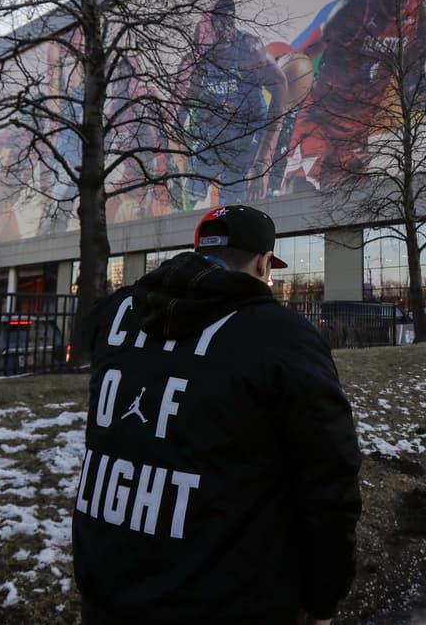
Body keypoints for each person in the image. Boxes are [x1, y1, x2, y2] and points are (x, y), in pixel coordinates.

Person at [72, 204, 361, 624]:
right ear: (263, 264)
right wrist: (323, 598)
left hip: (107, 592)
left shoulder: (117, 313)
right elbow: (328, 482)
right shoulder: (279, 335)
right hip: (225, 601)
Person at [282, 0, 426, 192]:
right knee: (299, 198)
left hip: (356, 134)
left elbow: (413, 74)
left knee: (356, 208)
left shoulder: (423, 12)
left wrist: (422, 97)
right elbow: (303, 54)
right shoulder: (356, 6)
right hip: (321, 120)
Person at [174, 0, 289, 209]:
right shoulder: (205, 56)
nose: (226, 25)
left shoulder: (248, 49)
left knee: (233, 202)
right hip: (217, 131)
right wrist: (175, 129)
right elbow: (191, 95)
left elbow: (280, 84)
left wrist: (260, 160)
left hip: (246, 132)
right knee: (191, 189)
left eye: (228, 19)